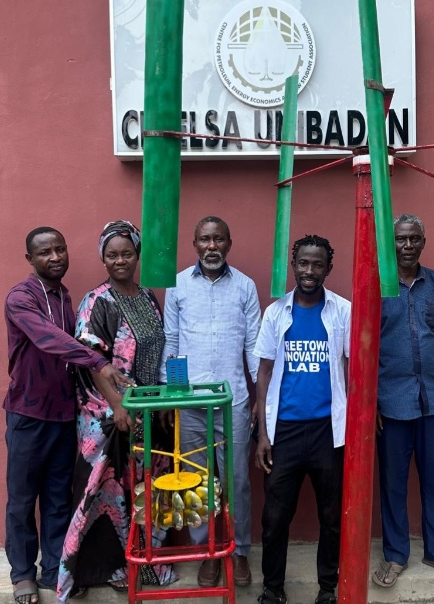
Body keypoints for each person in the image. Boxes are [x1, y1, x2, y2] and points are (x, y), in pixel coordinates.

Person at [3, 226, 129, 604]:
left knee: (58, 497)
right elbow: (48, 338)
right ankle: (22, 574)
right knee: (22, 499)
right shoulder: (21, 298)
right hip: (28, 414)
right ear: (30, 259)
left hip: (62, 414)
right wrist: (98, 362)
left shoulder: (65, 297)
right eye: (45, 252)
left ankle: (54, 570)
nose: (55, 257)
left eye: (60, 249)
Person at [56, 220, 177, 603]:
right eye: (112, 255)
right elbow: (90, 358)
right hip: (107, 417)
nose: (119, 260)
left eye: (126, 253)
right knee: (106, 489)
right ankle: (102, 568)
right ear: (102, 258)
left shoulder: (148, 297)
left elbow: (159, 350)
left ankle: (142, 561)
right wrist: (117, 404)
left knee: (142, 486)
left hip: (147, 413)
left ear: (137, 255)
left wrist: (160, 402)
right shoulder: (97, 301)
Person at [371, 214, 434, 588]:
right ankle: (395, 555)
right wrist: (369, 404)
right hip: (391, 405)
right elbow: (362, 348)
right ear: (391, 243)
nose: (408, 245)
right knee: (393, 484)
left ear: (424, 242)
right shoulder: (377, 287)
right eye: (401, 239)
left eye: (414, 238)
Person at [161, 216, 260, 587]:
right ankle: (208, 552)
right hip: (190, 404)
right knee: (197, 482)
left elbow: (253, 345)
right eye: (205, 239)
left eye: (219, 239)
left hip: (233, 402)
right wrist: (171, 396)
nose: (212, 246)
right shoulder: (178, 286)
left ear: (229, 244)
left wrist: (259, 397)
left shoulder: (245, 287)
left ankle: (239, 550)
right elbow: (172, 342)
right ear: (195, 244)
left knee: (237, 482)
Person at [253, 234, 350, 604]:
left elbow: (350, 367)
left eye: (317, 264)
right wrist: (264, 435)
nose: (310, 271)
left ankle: (328, 588)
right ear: (293, 266)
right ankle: (272, 589)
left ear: (328, 268)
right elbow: (264, 373)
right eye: (304, 263)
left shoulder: (342, 311)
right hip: (285, 431)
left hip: (329, 431)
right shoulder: (276, 312)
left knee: (332, 516)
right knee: (275, 519)